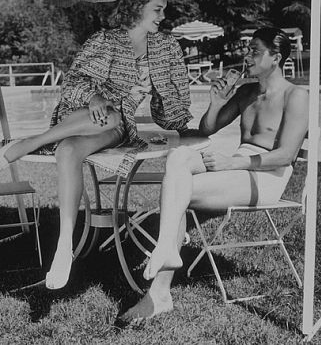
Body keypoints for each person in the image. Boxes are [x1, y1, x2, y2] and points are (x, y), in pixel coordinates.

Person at [0, 0, 192, 290]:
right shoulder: (104, 40)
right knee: (67, 150)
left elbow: (171, 109)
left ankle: (26, 145)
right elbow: (74, 81)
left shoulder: (166, 48)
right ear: (136, 7)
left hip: (119, 125)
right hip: (81, 120)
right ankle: (64, 246)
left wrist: (167, 102)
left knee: (113, 113)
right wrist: (93, 98)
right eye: (157, 9)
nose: (162, 16)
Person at [119, 27, 309, 323]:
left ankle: (159, 291)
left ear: (276, 57)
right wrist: (217, 102)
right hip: (237, 166)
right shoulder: (247, 92)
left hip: (267, 175)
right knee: (179, 157)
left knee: (179, 189)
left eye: (255, 51)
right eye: (248, 49)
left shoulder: (296, 96)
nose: (247, 55)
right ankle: (167, 252)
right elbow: (207, 129)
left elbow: (286, 155)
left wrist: (231, 163)